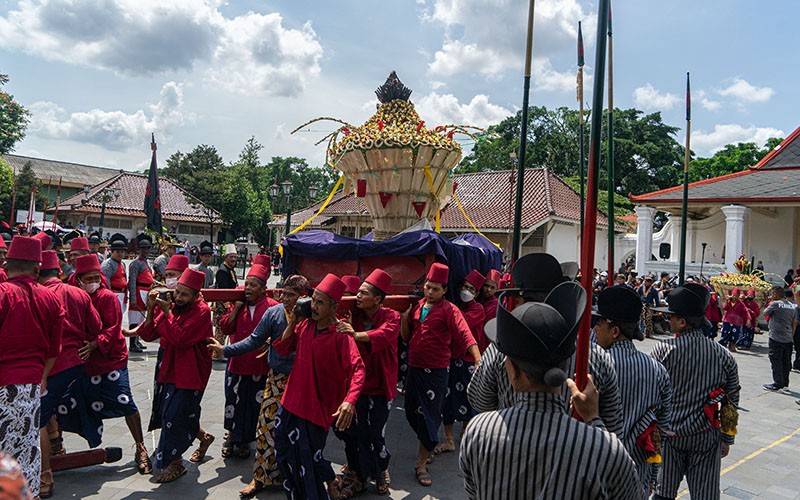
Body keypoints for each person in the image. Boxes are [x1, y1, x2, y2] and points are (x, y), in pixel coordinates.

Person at [460, 281, 644, 500]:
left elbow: (474, 492)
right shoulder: (603, 450)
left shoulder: (479, 431)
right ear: (568, 364)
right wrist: (594, 420)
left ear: (514, 372)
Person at [467, 253, 623, 438]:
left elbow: (479, 400)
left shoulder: (501, 347)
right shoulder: (593, 355)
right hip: (576, 459)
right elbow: (614, 425)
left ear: (520, 301)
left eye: (517, 299)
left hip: (510, 449)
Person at [207, 274, 308, 499]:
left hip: (304, 381)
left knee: (300, 433)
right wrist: (226, 350)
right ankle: (260, 477)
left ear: (304, 297)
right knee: (265, 429)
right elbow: (253, 340)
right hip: (276, 379)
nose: (286, 299)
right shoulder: (273, 313)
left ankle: (296, 477)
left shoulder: (312, 316)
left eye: (292, 296)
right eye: (284, 294)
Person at [272, 273, 366, 499]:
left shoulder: (342, 334)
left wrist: (349, 401)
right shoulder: (305, 325)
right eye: (313, 300)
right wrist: (293, 321)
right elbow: (283, 348)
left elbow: (358, 369)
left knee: (308, 460)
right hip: (291, 400)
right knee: (283, 453)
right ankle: (326, 482)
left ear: (334, 307)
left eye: (320, 302)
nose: (313, 306)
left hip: (317, 408)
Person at [59, 254, 152, 476]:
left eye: (96, 277)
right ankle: (55, 445)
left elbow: (113, 328)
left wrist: (94, 344)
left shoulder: (107, 297)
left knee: (125, 400)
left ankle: (141, 447)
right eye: (88, 278)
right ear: (78, 279)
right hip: (83, 360)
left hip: (111, 358)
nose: (93, 282)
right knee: (62, 402)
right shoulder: (71, 294)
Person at [651, 284, 740, 500]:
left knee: (663, 492)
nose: (668, 320)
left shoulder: (663, 351)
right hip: (705, 435)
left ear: (682, 322)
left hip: (669, 434)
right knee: (705, 495)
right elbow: (732, 400)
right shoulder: (723, 355)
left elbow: (650, 395)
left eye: (671, 317)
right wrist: (727, 437)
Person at [400, 263, 480, 487]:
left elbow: (465, 333)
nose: (430, 292)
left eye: (435, 289)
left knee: (430, 416)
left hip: (436, 371)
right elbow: (407, 338)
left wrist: (477, 357)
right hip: (415, 368)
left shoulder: (449, 310)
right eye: (428, 287)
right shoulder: (417, 307)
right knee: (410, 411)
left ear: (444, 290)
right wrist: (404, 319)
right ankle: (428, 443)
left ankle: (421, 463)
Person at [0, 236, 65, 499]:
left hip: (3, 386)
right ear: (37, 270)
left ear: (6, 265)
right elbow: (54, 349)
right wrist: (43, 377)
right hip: (31, 387)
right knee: (24, 451)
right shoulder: (50, 299)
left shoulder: (3, 294)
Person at [136, 269, 214, 483]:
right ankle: (203, 437)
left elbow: (180, 338)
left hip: (191, 372)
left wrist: (167, 312)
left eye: (184, 295)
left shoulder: (202, 311)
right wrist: (151, 310)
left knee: (175, 415)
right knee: (172, 413)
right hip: (170, 368)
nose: (178, 298)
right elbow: (148, 334)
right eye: (177, 292)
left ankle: (175, 464)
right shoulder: (171, 306)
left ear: (196, 295)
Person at [593, 285, 672, 493]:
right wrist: (653, 475)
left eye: (598, 324)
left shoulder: (595, 366)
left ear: (614, 331)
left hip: (597, 473)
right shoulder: (657, 369)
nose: (594, 329)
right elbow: (659, 432)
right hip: (637, 475)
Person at [36, 250, 102, 497]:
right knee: (49, 410)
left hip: (49, 366)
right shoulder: (79, 294)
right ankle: (56, 449)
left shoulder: (39, 294)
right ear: (60, 272)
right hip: (76, 362)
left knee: (38, 418)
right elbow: (95, 327)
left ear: (36, 273)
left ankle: (45, 476)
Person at [334, 269, 399, 497]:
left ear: (378, 299)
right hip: (356, 384)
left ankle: (381, 469)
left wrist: (355, 334)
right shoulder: (354, 316)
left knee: (375, 434)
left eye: (363, 293)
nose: (358, 296)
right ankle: (360, 474)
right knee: (353, 432)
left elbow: (384, 335)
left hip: (381, 385)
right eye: (358, 292)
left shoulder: (392, 316)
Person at [218, 264, 276, 458]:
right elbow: (225, 328)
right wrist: (235, 309)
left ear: (263, 289)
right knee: (232, 401)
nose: (248, 288)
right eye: (246, 285)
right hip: (237, 362)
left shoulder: (272, 307)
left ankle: (246, 440)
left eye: (253, 285)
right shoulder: (237, 304)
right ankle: (231, 435)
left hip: (260, 365)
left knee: (253, 405)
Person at [436, 270, 487, 458]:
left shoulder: (477, 310)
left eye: (471, 289)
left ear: (476, 293)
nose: (466, 291)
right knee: (447, 399)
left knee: (467, 398)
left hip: (467, 361)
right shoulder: (454, 306)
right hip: (451, 358)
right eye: (464, 287)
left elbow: (459, 325)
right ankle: (449, 439)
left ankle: (465, 434)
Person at [762, 286, 798, 391]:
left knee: (776, 360)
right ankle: (785, 383)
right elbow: (794, 322)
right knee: (786, 361)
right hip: (788, 338)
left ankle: (777, 383)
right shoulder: (792, 306)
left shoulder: (775, 304)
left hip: (776, 337)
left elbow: (765, 313)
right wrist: (791, 334)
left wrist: (769, 302)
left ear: (775, 294)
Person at [127, 234, 154, 354]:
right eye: (144, 248)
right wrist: (133, 297)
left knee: (140, 318)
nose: (146, 250)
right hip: (138, 291)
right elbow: (132, 281)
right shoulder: (135, 263)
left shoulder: (146, 262)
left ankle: (137, 340)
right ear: (139, 249)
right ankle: (132, 343)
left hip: (146, 291)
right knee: (135, 318)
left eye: (147, 248)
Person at [212, 243, 239, 361]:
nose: (233, 259)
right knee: (220, 329)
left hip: (228, 304)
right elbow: (224, 291)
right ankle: (216, 353)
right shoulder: (223, 271)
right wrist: (228, 306)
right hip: (222, 305)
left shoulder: (230, 269)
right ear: (225, 257)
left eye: (235, 257)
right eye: (231, 257)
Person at [101, 233, 128, 315]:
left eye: (122, 252)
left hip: (122, 295)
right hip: (113, 294)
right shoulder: (108, 265)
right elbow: (106, 282)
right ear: (112, 252)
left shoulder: (122, 264)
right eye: (117, 252)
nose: (120, 254)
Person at [719, 287, 749, 352]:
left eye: (736, 295)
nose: (735, 297)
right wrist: (726, 301)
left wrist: (748, 319)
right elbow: (724, 308)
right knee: (725, 334)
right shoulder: (728, 301)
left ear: (738, 296)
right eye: (734, 295)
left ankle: (732, 345)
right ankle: (721, 346)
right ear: (731, 295)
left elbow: (745, 311)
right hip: (727, 320)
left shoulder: (740, 304)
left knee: (734, 335)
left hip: (736, 322)